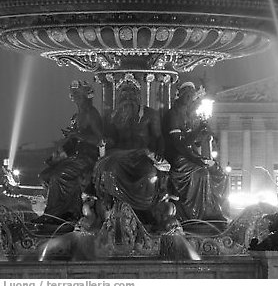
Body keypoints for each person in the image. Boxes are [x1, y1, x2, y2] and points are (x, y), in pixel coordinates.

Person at [93, 78, 170, 224]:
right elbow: (111, 139)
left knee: (150, 174)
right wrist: (105, 141)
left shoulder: (150, 115)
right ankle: (116, 208)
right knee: (110, 170)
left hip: (143, 157)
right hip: (119, 156)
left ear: (138, 96)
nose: (128, 97)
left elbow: (159, 137)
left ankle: (144, 210)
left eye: (132, 93)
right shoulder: (113, 116)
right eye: (124, 93)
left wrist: (159, 153)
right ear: (119, 96)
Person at [34, 80, 103, 225]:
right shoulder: (76, 117)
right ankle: (66, 209)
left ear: (86, 95)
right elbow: (71, 143)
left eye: (78, 94)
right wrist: (56, 156)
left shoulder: (92, 114)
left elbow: (99, 139)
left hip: (87, 157)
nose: (75, 97)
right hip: (75, 157)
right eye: (73, 94)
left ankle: (56, 214)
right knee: (45, 175)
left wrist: (77, 135)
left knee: (58, 176)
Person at [164, 82, 228, 221]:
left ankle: (213, 208)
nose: (189, 97)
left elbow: (192, 141)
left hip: (188, 155)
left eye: (191, 95)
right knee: (202, 173)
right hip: (178, 157)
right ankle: (196, 214)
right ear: (179, 94)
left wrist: (202, 132)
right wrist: (195, 159)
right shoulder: (173, 114)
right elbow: (178, 144)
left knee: (218, 172)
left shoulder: (188, 115)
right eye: (186, 94)